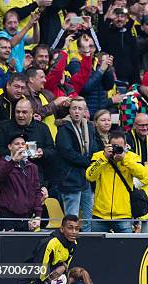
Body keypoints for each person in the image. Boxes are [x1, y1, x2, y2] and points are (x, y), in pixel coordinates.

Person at [86, 130, 146, 233]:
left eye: (120, 147)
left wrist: (125, 159)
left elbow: (142, 174)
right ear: (108, 145)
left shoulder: (132, 157)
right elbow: (90, 176)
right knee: (96, 248)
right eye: (114, 146)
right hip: (100, 214)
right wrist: (104, 158)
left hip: (123, 215)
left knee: (126, 247)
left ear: (126, 146)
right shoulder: (99, 156)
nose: (117, 149)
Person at [56, 97, 97, 232]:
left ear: (85, 111)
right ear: (70, 110)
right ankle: (69, 243)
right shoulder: (63, 127)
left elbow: (94, 149)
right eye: (74, 108)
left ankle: (86, 244)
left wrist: (93, 161)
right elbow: (67, 153)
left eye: (80, 108)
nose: (77, 112)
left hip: (87, 178)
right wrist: (88, 162)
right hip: (71, 178)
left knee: (88, 216)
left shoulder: (89, 126)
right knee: (71, 217)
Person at [0, 133, 45, 231]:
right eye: (17, 144)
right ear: (10, 147)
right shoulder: (2, 163)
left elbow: (37, 191)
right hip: (7, 216)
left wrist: (38, 215)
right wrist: (13, 161)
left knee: (24, 245)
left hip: (26, 217)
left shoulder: (32, 167)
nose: (20, 146)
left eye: (23, 144)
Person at [30, 215, 79, 284]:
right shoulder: (50, 243)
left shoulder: (74, 243)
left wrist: (64, 267)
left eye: (76, 229)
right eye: (70, 228)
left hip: (52, 276)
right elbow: (38, 273)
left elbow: (66, 263)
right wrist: (50, 279)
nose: (74, 232)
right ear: (62, 229)